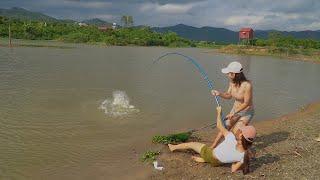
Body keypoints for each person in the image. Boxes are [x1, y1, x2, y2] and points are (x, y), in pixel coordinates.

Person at [168, 106, 256, 174]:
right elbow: (233, 169)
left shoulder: (231, 138)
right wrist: (234, 160)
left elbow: (219, 126)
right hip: (217, 163)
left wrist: (218, 113)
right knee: (220, 155)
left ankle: (173, 147)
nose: (239, 131)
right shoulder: (244, 156)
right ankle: (204, 160)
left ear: (241, 136)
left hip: (209, 155)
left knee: (191, 144)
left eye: (241, 131)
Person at [210, 61, 254, 148]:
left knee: (235, 132)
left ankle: (236, 150)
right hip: (235, 110)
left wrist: (233, 113)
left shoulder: (247, 85)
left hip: (246, 112)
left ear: (233, 74)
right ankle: (213, 146)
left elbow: (246, 103)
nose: (227, 75)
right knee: (225, 127)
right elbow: (229, 95)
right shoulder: (232, 83)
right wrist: (218, 93)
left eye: (228, 73)